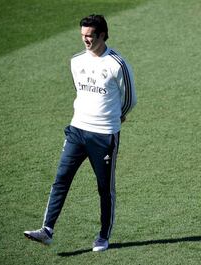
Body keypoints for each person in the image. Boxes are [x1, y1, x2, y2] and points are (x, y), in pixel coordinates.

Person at [24, 14, 137, 252]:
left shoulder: (117, 64)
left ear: (102, 35)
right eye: (83, 35)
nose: (85, 40)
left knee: (104, 188)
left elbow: (130, 99)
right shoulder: (76, 62)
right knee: (61, 179)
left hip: (104, 135)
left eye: (90, 36)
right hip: (77, 130)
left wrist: (117, 118)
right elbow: (81, 92)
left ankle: (103, 236)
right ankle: (47, 230)